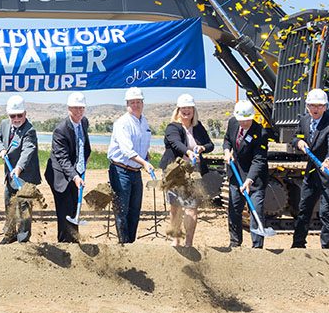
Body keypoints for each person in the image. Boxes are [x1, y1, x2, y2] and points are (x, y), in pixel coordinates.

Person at [291, 88, 329, 250]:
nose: (315, 109)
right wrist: (298, 143)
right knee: (304, 209)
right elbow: (296, 136)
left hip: (328, 174)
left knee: (326, 213)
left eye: (319, 106)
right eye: (312, 105)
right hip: (311, 172)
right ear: (307, 106)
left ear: (325, 107)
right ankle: (298, 245)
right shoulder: (304, 121)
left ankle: (326, 249)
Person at [160, 93, 214, 248]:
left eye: (189, 108)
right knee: (176, 207)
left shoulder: (198, 127)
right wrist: (188, 152)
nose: (186, 111)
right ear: (178, 110)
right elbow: (176, 143)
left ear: (193, 110)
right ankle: (175, 240)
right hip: (175, 173)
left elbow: (210, 144)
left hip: (193, 173)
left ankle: (189, 243)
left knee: (191, 208)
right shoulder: (172, 127)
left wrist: (203, 147)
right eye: (183, 108)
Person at [107, 87, 153, 244]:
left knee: (134, 211)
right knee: (122, 211)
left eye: (138, 102)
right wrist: (144, 162)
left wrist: (146, 157)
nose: (136, 105)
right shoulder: (122, 123)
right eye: (132, 102)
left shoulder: (144, 122)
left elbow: (142, 146)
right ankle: (123, 246)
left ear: (142, 103)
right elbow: (127, 150)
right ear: (127, 104)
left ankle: (131, 244)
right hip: (121, 171)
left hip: (135, 171)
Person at [45, 92, 92, 243]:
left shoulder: (84, 122)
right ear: (68, 109)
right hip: (60, 176)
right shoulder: (60, 130)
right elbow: (62, 159)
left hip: (75, 172)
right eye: (75, 108)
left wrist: (84, 162)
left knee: (74, 208)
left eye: (81, 108)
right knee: (65, 212)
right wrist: (75, 176)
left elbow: (83, 145)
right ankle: (64, 246)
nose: (79, 111)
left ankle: (74, 242)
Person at [0, 95, 41, 244]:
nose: (16, 119)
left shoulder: (30, 130)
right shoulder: (4, 124)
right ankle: (9, 235)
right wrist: (1, 149)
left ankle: (23, 239)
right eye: (12, 116)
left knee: (24, 209)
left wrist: (19, 168)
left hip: (25, 177)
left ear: (25, 114)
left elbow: (27, 150)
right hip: (10, 175)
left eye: (19, 115)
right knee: (9, 204)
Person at [222, 101, 269, 248]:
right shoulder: (233, 123)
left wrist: (249, 180)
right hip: (236, 175)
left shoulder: (261, 133)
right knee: (234, 209)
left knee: (255, 211)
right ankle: (235, 243)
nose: (243, 123)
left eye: (247, 120)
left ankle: (257, 247)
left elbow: (259, 160)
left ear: (252, 117)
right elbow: (227, 140)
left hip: (254, 178)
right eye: (241, 120)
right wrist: (226, 151)